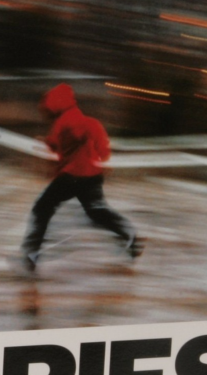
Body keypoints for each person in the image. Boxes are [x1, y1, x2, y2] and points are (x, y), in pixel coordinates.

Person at [17, 82, 140, 272]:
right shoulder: (87, 120)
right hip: (92, 176)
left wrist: (46, 143)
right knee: (96, 212)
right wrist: (101, 160)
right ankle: (128, 235)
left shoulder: (62, 122)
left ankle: (32, 253)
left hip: (72, 176)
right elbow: (100, 146)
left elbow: (59, 143)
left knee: (42, 208)